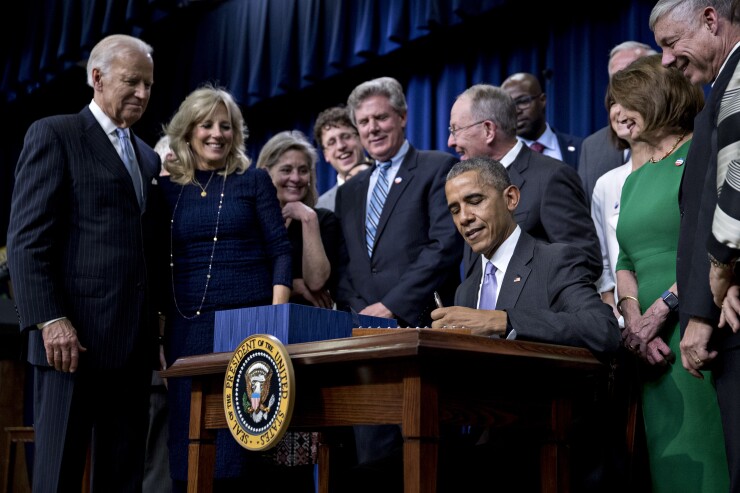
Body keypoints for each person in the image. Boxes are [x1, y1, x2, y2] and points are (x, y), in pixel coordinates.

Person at [6, 34, 161, 492]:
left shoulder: (149, 157)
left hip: (131, 347)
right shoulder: (54, 134)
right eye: (132, 81)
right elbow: (26, 239)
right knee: (57, 475)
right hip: (68, 345)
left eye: (149, 85)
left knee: (123, 477)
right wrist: (50, 319)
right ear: (97, 78)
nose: (142, 93)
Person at [431, 156, 621, 490]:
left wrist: (503, 321)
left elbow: (602, 329)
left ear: (511, 198)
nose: (465, 218)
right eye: (455, 209)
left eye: (475, 201)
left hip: (547, 441)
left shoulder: (555, 260)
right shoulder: (465, 289)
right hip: (479, 439)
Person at [159, 85, 294, 492]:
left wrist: (275, 321)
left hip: (249, 328)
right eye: (206, 125)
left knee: (248, 447)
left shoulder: (253, 181)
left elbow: (281, 253)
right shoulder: (166, 190)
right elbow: (159, 268)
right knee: (191, 449)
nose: (217, 133)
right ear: (188, 131)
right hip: (188, 330)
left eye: (226, 126)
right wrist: (160, 336)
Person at [334, 76, 463, 489]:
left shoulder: (436, 167)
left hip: (418, 329)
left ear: (403, 117)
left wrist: (390, 306)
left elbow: (443, 247)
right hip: (363, 338)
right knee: (371, 456)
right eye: (364, 122)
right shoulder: (349, 190)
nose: (371, 128)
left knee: (421, 454)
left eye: (380, 118)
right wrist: (358, 309)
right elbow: (347, 264)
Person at [612, 55, 728, 492]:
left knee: (710, 462)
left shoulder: (699, 153)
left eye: (627, 101)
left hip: (694, 327)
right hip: (649, 347)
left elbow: (707, 244)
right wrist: (633, 319)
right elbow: (624, 259)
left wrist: (663, 310)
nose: (617, 113)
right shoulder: (632, 179)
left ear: (659, 97)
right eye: (613, 103)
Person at [651, 1, 740, 490]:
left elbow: (736, 183)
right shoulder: (723, 84)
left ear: (711, 19)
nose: (665, 60)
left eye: (670, 42)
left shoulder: (738, 78)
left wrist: (722, 273)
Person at [448, 83, 601, 282]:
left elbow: (584, 261)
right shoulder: (471, 184)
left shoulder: (551, 176)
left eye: (455, 130)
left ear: (488, 130)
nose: (451, 142)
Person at [256, 130, 344, 309]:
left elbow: (316, 282)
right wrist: (294, 285)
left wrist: (308, 218)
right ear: (266, 173)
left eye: (303, 170)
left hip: (308, 324)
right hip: (256, 322)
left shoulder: (324, 220)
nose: (295, 178)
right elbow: (243, 279)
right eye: (286, 170)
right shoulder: (251, 221)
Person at [579, 41, 658, 207]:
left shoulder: (682, 139)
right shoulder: (591, 147)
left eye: (633, 77)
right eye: (617, 79)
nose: (624, 87)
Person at [501, 72, 583, 169]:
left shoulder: (580, 148)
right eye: (509, 106)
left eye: (523, 101)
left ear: (542, 100)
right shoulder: (500, 158)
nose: (516, 111)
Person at [313, 105, 372, 211]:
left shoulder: (392, 180)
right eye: (331, 142)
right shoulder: (321, 208)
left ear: (361, 138)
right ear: (326, 155)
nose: (340, 146)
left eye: (346, 136)